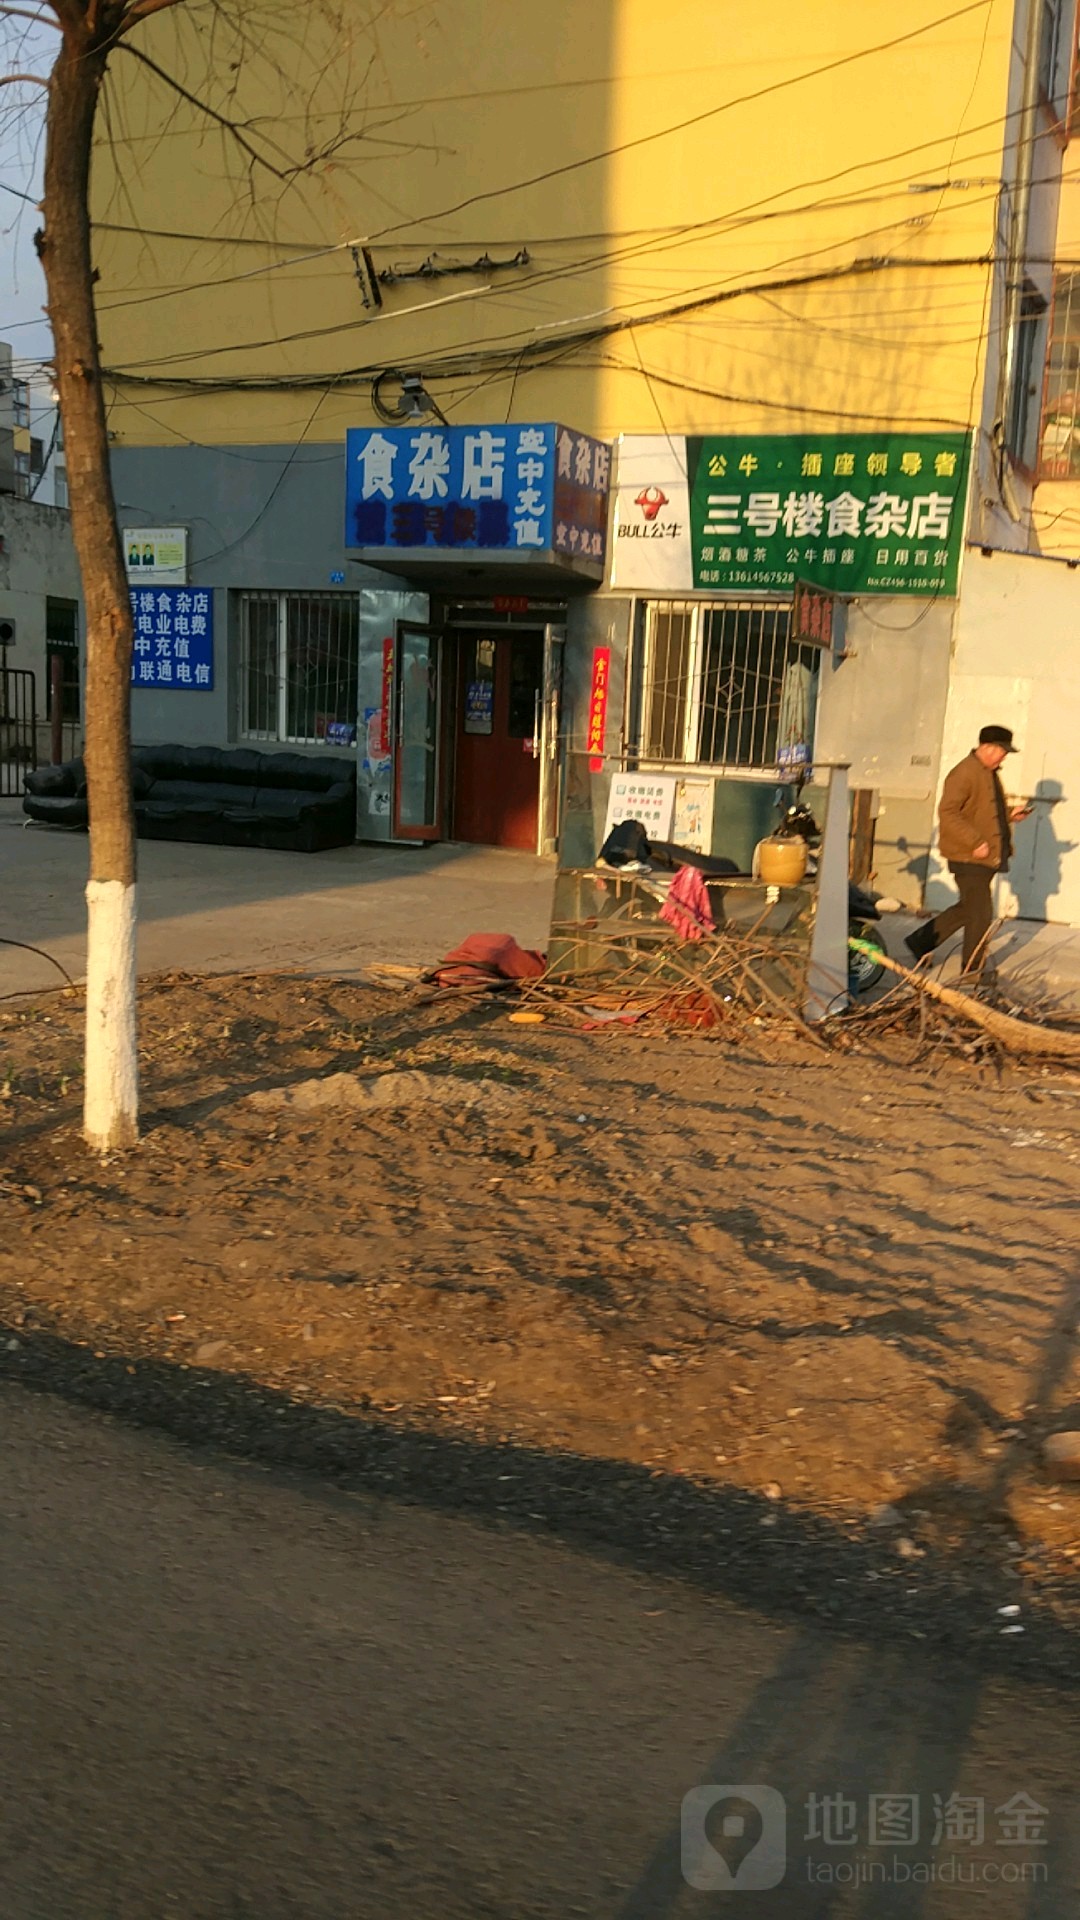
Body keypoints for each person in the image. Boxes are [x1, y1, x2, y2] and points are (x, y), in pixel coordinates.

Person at [905, 725, 1032, 976]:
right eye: (1002, 751)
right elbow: (948, 812)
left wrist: (1010, 814)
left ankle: (920, 941)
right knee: (981, 914)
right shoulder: (964, 773)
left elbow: (983, 810)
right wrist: (975, 841)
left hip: (983, 856)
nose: (1004, 757)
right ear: (987, 748)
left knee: (969, 908)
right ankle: (973, 970)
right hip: (969, 856)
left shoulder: (987, 772)